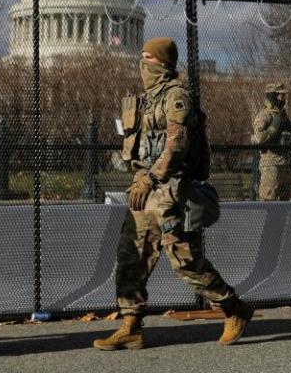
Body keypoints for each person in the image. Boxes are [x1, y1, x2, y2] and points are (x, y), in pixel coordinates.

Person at [93, 37, 252, 350]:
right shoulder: (145, 98)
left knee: (184, 259)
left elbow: (176, 146)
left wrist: (150, 179)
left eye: (147, 58)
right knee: (131, 257)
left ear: (163, 64)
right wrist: (142, 180)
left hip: (168, 189)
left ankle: (234, 308)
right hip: (144, 189)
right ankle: (131, 325)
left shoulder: (177, 96)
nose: (142, 64)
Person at [251, 83, 291, 201]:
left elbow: (287, 137)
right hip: (271, 165)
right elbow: (258, 139)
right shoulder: (265, 115)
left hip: (285, 164)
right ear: (272, 96)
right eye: (280, 95)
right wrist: (274, 128)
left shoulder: (282, 115)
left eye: (284, 96)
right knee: (269, 202)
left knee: (284, 203)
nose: (283, 99)